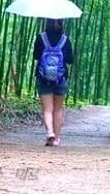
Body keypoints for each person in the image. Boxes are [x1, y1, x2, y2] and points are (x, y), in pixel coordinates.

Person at [32, 18, 74, 146]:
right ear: (61, 23)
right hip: (60, 79)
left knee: (47, 109)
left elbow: (35, 56)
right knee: (58, 109)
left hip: (43, 77)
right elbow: (70, 60)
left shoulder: (41, 37)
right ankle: (56, 139)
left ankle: (50, 132)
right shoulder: (65, 40)